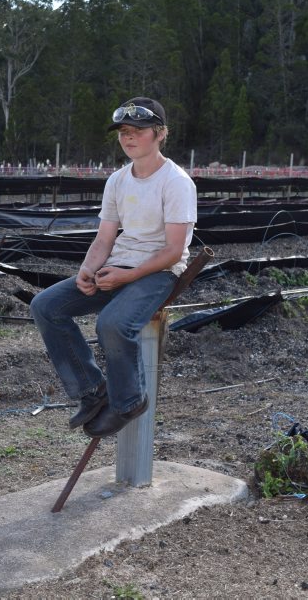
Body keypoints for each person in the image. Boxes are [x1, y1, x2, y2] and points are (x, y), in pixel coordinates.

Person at [30, 97, 197, 438]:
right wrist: (88, 270)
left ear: (160, 134)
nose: (129, 137)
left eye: (138, 130)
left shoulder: (176, 182)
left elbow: (173, 250)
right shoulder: (117, 181)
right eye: (123, 131)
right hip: (119, 265)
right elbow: (105, 238)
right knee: (46, 306)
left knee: (114, 324)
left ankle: (129, 401)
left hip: (158, 272)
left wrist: (129, 275)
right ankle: (92, 391)